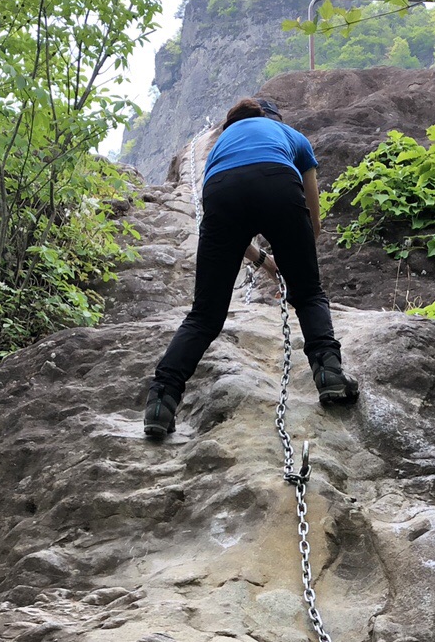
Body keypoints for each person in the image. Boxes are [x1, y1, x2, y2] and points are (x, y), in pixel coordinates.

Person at [143, 96, 359, 440]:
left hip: (222, 191)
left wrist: (261, 260)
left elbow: (224, 222)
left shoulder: (220, 148)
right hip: (278, 181)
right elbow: (312, 219)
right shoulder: (291, 137)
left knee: (204, 316)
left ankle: (161, 402)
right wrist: (295, 267)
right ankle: (330, 375)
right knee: (309, 295)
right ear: (276, 119)